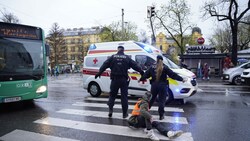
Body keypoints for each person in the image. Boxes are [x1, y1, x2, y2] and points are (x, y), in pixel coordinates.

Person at [95, 46, 144, 118]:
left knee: (112, 96)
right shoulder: (127, 58)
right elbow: (135, 65)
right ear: (123, 50)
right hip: (123, 80)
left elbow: (104, 65)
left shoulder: (112, 57)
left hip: (114, 80)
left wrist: (99, 73)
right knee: (124, 97)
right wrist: (142, 72)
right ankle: (124, 114)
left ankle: (110, 111)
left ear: (117, 50)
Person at [139, 55, 186, 120]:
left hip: (154, 85)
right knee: (161, 101)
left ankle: (145, 113)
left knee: (151, 99)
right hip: (163, 86)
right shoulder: (165, 67)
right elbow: (172, 75)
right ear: (162, 60)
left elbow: (146, 74)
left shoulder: (152, 67)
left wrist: (141, 79)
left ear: (156, 59)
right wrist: (181, 79)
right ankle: (161, 115)